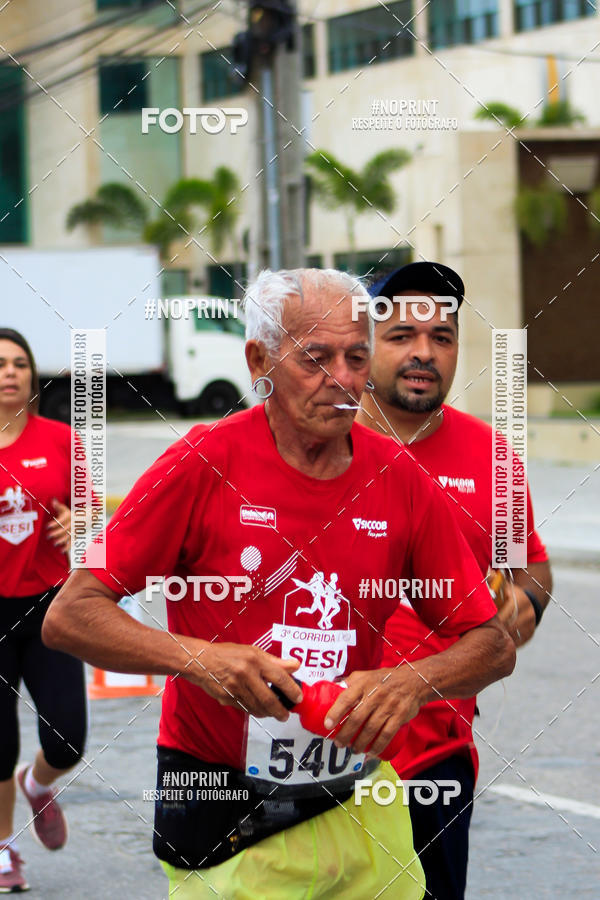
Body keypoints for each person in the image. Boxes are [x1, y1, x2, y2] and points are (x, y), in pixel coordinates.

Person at [43, 268, 515, 899]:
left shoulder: (398, 478)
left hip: (355, 794)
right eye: (315, 358)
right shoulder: (203, 461)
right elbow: (70, 614)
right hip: (218, 792)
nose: (342, 380)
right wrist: (201, 660)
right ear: (259, 359)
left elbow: (493, 643)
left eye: (355, 357)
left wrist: (412, 682)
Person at [356, 261, 552, 900]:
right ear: (363, 343)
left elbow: (530, 571)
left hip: (433, 752)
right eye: (403, 335)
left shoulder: (489, 456)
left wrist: (523, 604)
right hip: (310, 747)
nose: (424, 352)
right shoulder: (314, 440)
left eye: (442, 337)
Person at [0, 329, 87, 892]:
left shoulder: (63, 440)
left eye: (19, 363)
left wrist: (83, 526)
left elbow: (98, 524)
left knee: (69, 741)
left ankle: (38, 783)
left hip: (50, 610)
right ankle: (4, 850)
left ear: (32, 376)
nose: (9, 372)